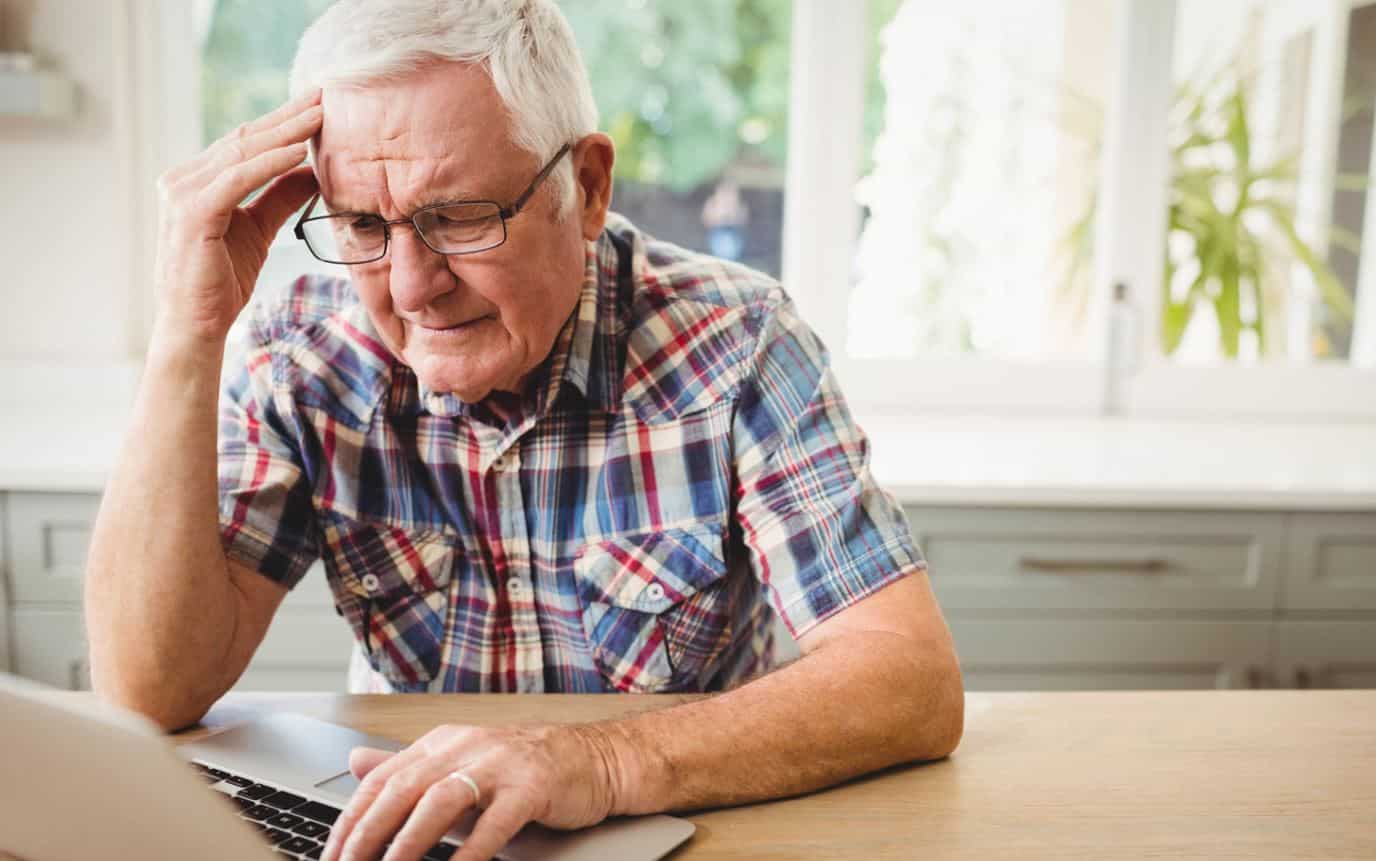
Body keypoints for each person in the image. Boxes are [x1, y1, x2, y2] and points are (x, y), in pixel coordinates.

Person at [83, 2, 964, 860]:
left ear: (585, 187)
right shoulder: (299, 352)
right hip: (415, 828)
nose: (412, 286)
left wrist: (601, 760)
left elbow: (908, 679)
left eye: (459, 215)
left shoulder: (737, 341)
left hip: (697, 823)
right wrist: (187, 331)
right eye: (361, 225)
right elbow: (147, 690)